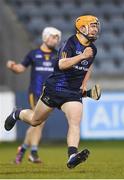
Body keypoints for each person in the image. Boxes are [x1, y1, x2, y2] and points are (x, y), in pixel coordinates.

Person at [5, 15, 100, 168]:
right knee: (35, 121)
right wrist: (82, 55)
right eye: (92, 26)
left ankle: (72, 155)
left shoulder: (93, 49)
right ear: (82, 28)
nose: (95, 30)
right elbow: (62, 64)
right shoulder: (69, 43)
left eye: (96, 26)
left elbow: (88, 66)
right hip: (54, 89)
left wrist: (84, 83)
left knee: (75, 121)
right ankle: (17, 113)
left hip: (73, 93)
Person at [6, 27, 62, 164]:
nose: (55, 40)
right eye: (53, 37)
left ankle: (23, 151)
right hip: (35, 93)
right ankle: (33, 153)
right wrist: (13, 66)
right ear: (45, 37)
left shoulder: (58, 56)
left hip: (50, 95)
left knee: (36, 123)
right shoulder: (34, 54)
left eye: (57, 38)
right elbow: (20, 68)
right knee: (39, 122)